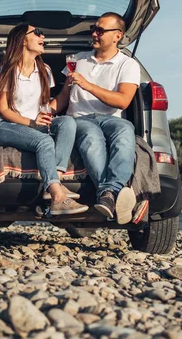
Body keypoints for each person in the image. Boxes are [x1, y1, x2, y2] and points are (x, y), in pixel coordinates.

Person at [0, 23, 87, 216]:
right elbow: (2, 110)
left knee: (68, 122)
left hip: (34, 125)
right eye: (37, 33)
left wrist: (68, 86)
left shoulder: (44, 70)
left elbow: (51, 106)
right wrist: (32, 123)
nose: (42, 36)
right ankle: (58, 198)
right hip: (6, 125)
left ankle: (54, 183)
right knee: (44, 141)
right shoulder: (6, 70)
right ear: (22, 40)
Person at [62, 12, 139, 224]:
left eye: (100, 30)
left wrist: (88, 85)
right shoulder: (77, 59)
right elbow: (62, 98)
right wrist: (42, 112)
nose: (94, 34)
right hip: (79, 118)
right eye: (93, 29)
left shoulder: (128, 64)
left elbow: (123, 101)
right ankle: (111, 195)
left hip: (110, 118)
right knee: (91, 137)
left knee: (125, 130)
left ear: (117, 36)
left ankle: (108, 193)